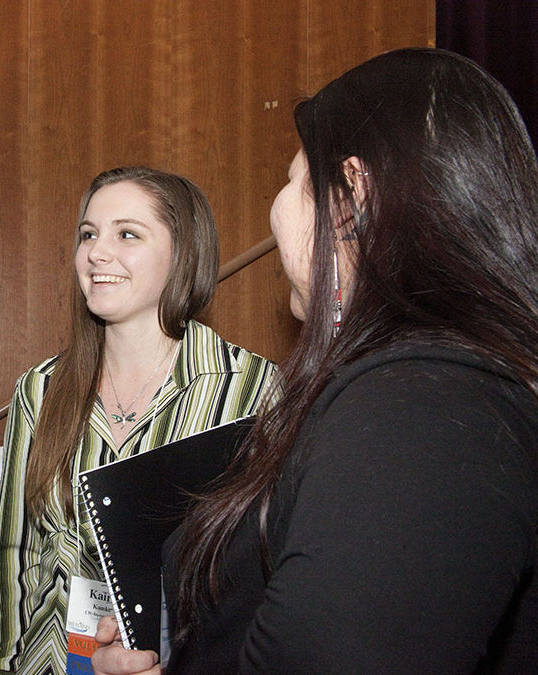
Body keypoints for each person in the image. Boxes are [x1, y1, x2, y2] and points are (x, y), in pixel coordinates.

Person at [91, 48, 538, 674]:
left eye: (295, 178)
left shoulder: (420, 416)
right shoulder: (426, 396)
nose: (279, 209)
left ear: (351, 196)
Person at [0, 166, 280, 674]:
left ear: (182, 254)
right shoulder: (42, 389)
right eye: (89, 234)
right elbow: (12, 553)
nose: (97, 252)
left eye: (127, 234)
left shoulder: (252, 391)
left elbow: (264, 574)